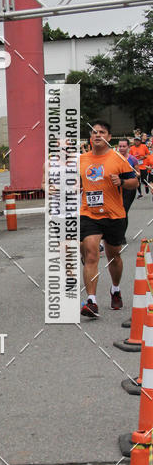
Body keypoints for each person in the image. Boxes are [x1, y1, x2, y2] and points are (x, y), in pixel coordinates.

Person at [80, 122, 138, 318]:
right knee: (91, 254)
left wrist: (121, 181)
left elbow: (134, 182)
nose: (97, 135)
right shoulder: (81, 159)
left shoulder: (118, 158)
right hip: (89, 214)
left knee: (114, 256)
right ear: (90, 137)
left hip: (114, 214)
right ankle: (91, 301)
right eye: (94, 132)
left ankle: (115, 289)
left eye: (101, 132)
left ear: (109, 136)